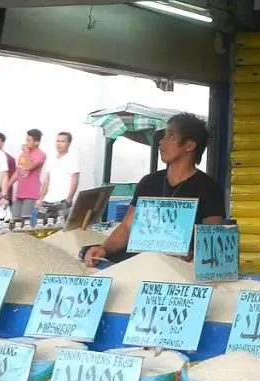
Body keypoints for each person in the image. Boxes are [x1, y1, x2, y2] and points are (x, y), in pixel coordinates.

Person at [83, 113, 225, 266]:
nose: (161, 142)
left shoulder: (208, 188)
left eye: (170, 136)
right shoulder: (149, 183)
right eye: (164, 135)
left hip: (181, 268)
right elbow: (127, 227)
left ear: (189, 146)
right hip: (142, 264)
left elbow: (213, 236)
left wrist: (195, 253)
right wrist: (103, 249)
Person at [38, 131, 80, 218]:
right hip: (47, 200)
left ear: (68, 144)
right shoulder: (51, 158)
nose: (59, 144)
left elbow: (74, 180)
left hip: (62, 200)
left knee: (61, 229)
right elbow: (47, 179)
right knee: (42, 228)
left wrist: (69, 199)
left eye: (62, 141)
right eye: (57, 141)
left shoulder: (71, 159)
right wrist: (41, 198)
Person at [10, 129, 46, 222]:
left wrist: (26, 152)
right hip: (20, 192)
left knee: (25, 220)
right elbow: (18, 171)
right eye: (26, 140)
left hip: (31, 193)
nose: (26, 143)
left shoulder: (40, 154)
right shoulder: (23, 154)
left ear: (36, 142)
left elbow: (29, 166)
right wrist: (7, 186)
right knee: (14, 220)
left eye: (29, 141)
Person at [0, 132, 17, 201]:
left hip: (4, 196)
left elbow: (14, 176)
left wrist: (4, 190)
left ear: (2, 143)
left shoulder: (9, 159)